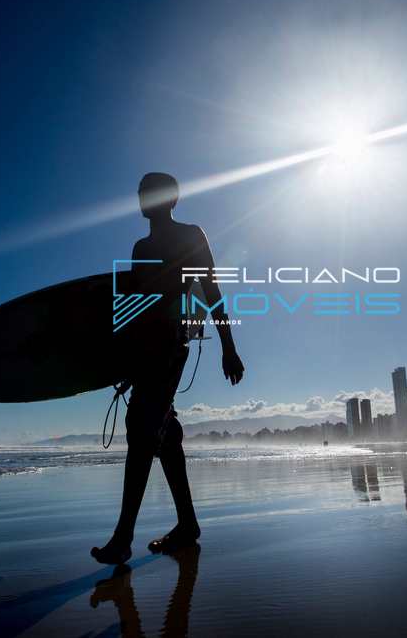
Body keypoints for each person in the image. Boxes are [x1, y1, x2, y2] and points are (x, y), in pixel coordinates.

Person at [91, 172, 244, 565]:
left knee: (141, 430)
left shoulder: (191, 234)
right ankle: (187, 524)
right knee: (164, 434)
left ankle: (123, 537)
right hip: (145, 347)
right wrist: (125, 362)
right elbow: (136, 308)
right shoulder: (140, 247)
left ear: (171, 199)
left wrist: (228, 347)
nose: (143, 197)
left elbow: (212, 290)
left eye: (151, 192)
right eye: (140, 191)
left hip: (173, 343)